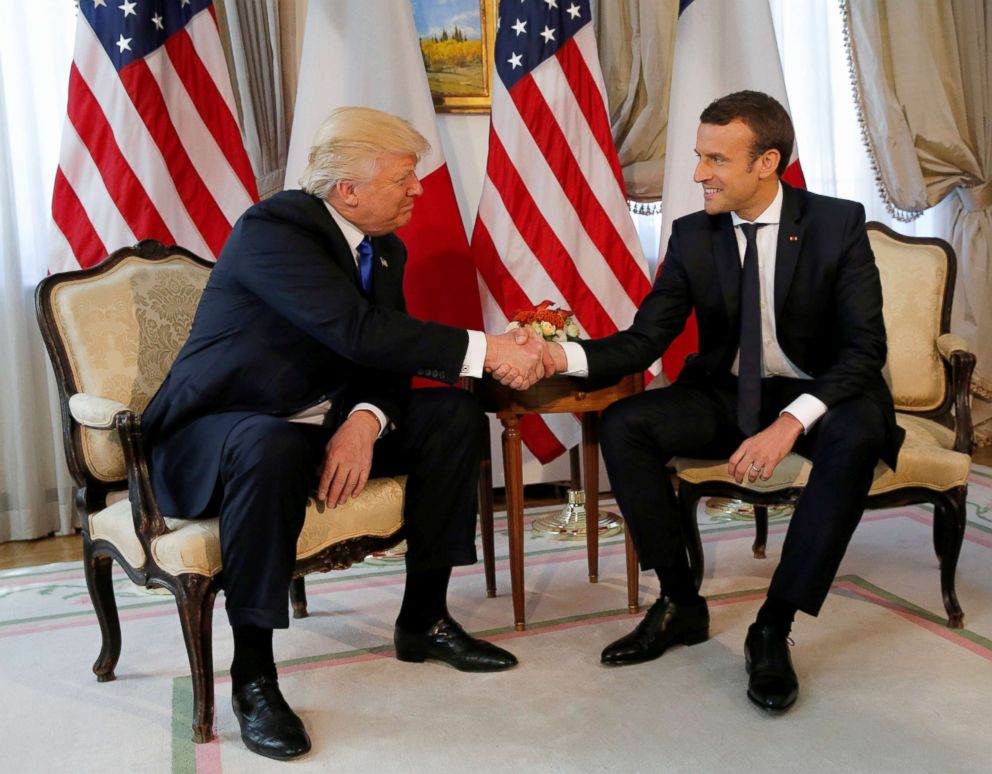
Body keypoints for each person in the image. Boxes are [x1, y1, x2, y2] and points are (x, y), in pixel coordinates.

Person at [142, 107, 547, 760]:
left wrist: (364, 421)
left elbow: (382, 357)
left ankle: (425, 619)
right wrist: (489, 348)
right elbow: (354, 331)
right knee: (266, 444)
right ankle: (254, 676)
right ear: (348, 190)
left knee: (452, 415)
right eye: (404, 177)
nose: (418, 189)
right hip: (214, 432)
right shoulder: (273, 229)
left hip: (312, 425)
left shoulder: (383, 249)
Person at [544, 90, 903, 712]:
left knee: (856, 435)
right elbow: (644, 339)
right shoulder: (692, 236)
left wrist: (791, 422)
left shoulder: (835, 224)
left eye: (715, 160)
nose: (697, 174)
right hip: (726, 392)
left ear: (766, 163)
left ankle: (774, 624)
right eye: (698, 156)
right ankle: (680, 602)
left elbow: (864, 350)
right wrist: (560, 358)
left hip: (824, 393)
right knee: (626, 422)